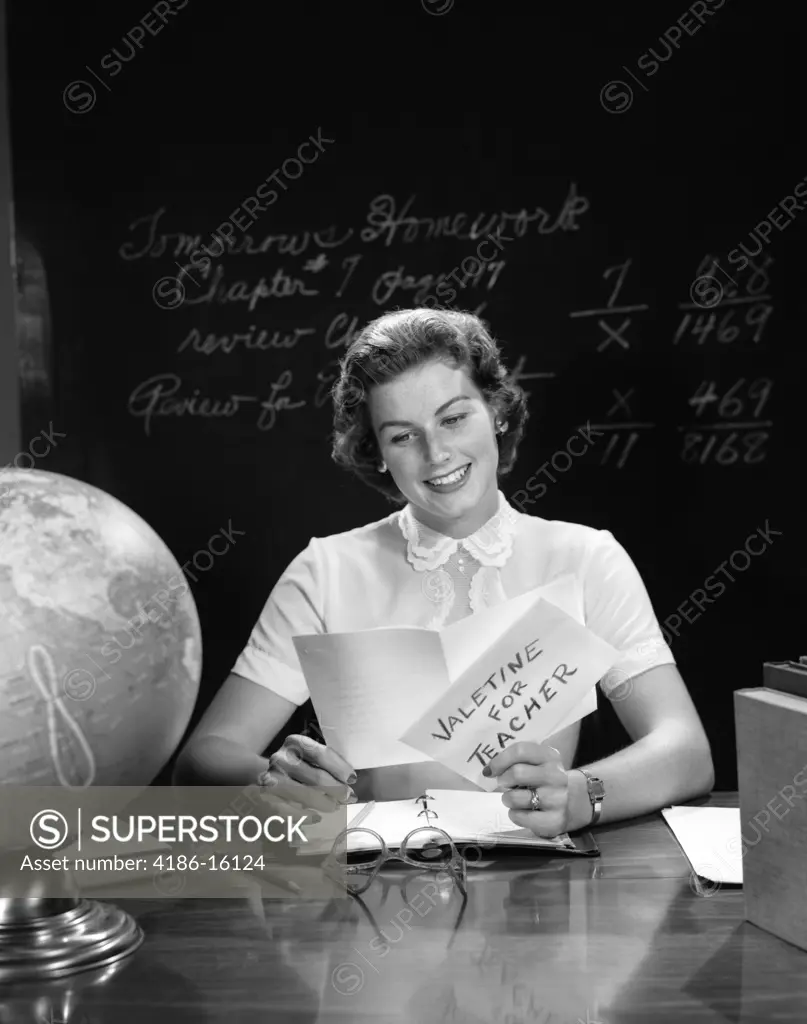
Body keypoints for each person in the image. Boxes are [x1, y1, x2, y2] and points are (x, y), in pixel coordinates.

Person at [172, 308, 714, 838]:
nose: (436, 453)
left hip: (539, 895)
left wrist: (582, 795)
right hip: (370, 887)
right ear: (377, 451)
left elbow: (685, 750)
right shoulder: (326, 571)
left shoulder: (586, 558)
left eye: (454, 418)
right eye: (403, 436)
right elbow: (201, 762)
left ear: (498, 412)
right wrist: (273, 782)